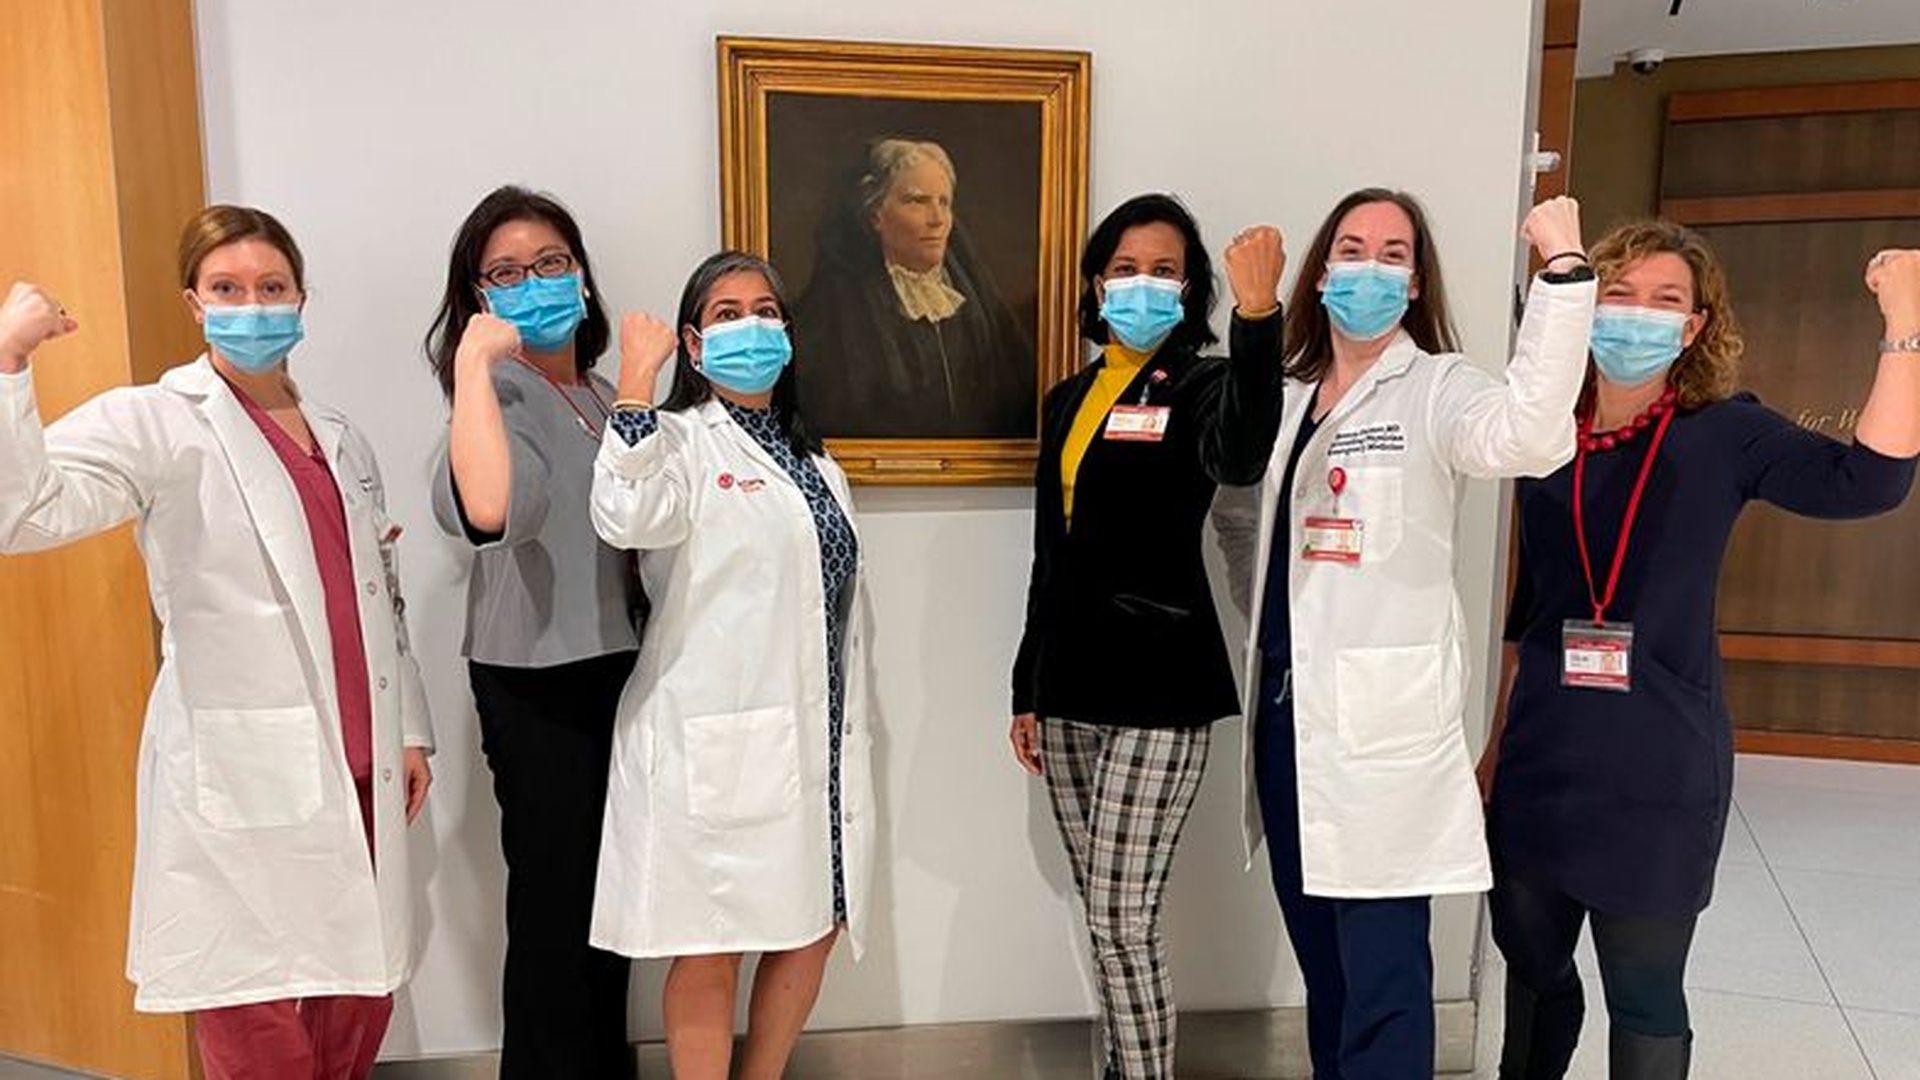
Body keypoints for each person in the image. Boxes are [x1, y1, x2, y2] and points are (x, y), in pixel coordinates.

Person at [0, 206, 434, 1080]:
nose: (253, 306)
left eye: (272, 287)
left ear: (302, 297)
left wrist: (412, 729)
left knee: (360, 994)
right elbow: (23, 514)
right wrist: (10, 361)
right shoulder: (159, 422)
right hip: (245, 764)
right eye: (227, 289)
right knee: (255, 1005)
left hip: (364, 758)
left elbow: (379, 599)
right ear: (194, 305)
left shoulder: (341, 437)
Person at [1479, 225, 1920, 1079]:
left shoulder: (1724, 432)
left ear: (1693, 327)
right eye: (1618, 293)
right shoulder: (1543, 433)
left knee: (1644, 994)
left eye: (1665, 300)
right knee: (1530, 969)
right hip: (1540, 757)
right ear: (1584, 308)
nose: (1637, 314)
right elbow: (1529, 606)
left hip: (1658, 767)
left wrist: (1905, 325)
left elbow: (1870, 483)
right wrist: (1497, 744)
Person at [1213, 191, 1597, 1078]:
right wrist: (1270, 603)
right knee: (1326, 969)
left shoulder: (1439, 388)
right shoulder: (1288, 397)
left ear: (1416, 282)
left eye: (1393, 255)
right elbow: (1242, 513)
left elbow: (1531, 439)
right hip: (1285, 719)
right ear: (1321, 272)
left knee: (1383, 977)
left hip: (1381, 731)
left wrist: (1564, 274)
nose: (1370, 270)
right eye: (1352, 250)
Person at [1008, 192, 1287, 1080]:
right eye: (1125, 269)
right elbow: (1049, 553)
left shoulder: (1205, 386)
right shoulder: (1068, 399)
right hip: (1067, 686)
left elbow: (1243, 453)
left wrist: (1257, 317)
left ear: (1190, 287)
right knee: (1104, 914)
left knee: (1122, 919)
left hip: (1161, 687)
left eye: (1163, 271)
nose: (1142, 285)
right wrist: (1026, 687)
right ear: (1097, 285)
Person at [588, 251, 877, 1080]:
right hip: (711, 737)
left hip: (814, 734)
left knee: (814, 926)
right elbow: (624, 514)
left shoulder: (815, 460)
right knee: (710, 942)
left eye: (766, 312)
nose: (751, 328)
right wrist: (635, 384)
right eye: (726, 314)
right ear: (693, 342)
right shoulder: (676, 441)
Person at [423, 185, 642, 1079]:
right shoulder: (498, 395)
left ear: (581, 275)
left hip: (619, 668)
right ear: (478, 298)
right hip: (539, 677)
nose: (534, 282)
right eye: (506, 272)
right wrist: (475, 369)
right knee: (555, 909)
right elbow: (496, 510)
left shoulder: (599, 392)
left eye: (550, 262)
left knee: (612, 902)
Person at [794, 137, 1035, 439]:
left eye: (944, 203)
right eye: (917, 201)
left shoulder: (975, 305)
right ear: (876, 214)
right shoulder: (832, 311)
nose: (937, 219)